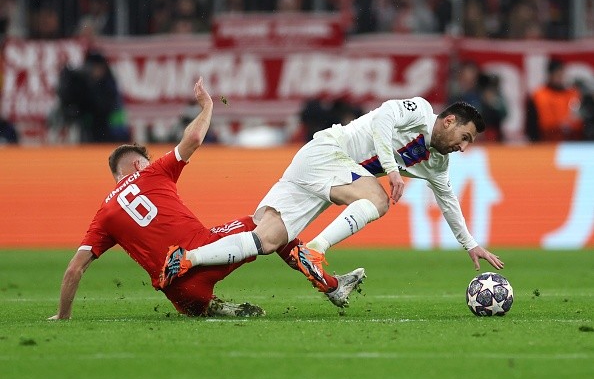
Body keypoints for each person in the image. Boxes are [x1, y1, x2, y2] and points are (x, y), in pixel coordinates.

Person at [49, 78, 364, 320]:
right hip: (201, 253)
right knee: (269, 225)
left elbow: (75, 269)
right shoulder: (151, 173)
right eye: (146, 160)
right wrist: (207, 106)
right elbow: (195, 138)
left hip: (180, 295)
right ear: (135, 165)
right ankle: (332, 286)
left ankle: (213, 306)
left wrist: (63, 315)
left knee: (189, 299)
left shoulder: (104, 214)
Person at [160, 97, 505, 296]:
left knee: (267, 239)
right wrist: (393, 169)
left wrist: (470, 243)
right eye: (465, 137)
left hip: (321, 169)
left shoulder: (438, 162)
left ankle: (188, 258)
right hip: (329, 151)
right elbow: (383, 119)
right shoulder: (419, 110)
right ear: (448, 121)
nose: (463, 147)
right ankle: (315, 251)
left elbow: (448, 200)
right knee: (379, 199)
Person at [526, 59, 583, 142]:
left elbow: (579, 120)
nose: (560, 78)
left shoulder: (573, 94)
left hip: (571, 143)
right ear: (550, 75)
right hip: (546, 143)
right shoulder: (539, 95)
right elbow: (531, 125)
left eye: (562, 74)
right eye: (557, 74)